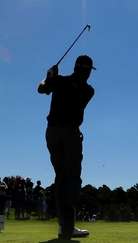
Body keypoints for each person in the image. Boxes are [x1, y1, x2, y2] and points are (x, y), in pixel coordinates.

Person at [37, 54, 96, 240]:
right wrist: (53, 78)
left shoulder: (60, 81)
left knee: (60, 178)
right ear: (87, 71)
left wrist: (49, 76)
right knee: (72, 179)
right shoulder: (88, 90)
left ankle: (64, 226)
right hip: (70, 133)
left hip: (52, 133)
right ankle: (69, 223)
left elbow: (41, 88)